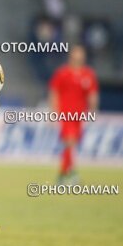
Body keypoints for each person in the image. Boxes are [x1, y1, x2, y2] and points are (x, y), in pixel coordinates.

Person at [49, 45, 99, 184]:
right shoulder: (62, 73)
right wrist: (54, 112)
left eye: (81, 54)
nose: (79, 56)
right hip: (66, 114)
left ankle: (63, 174)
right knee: (69, 142)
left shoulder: (88, 74)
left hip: (80, 115)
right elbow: (54, 93)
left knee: (72, 144)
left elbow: (92, 95)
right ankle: (71, 174)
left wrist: (93, 110)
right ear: (71, 56)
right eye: (77, 54)